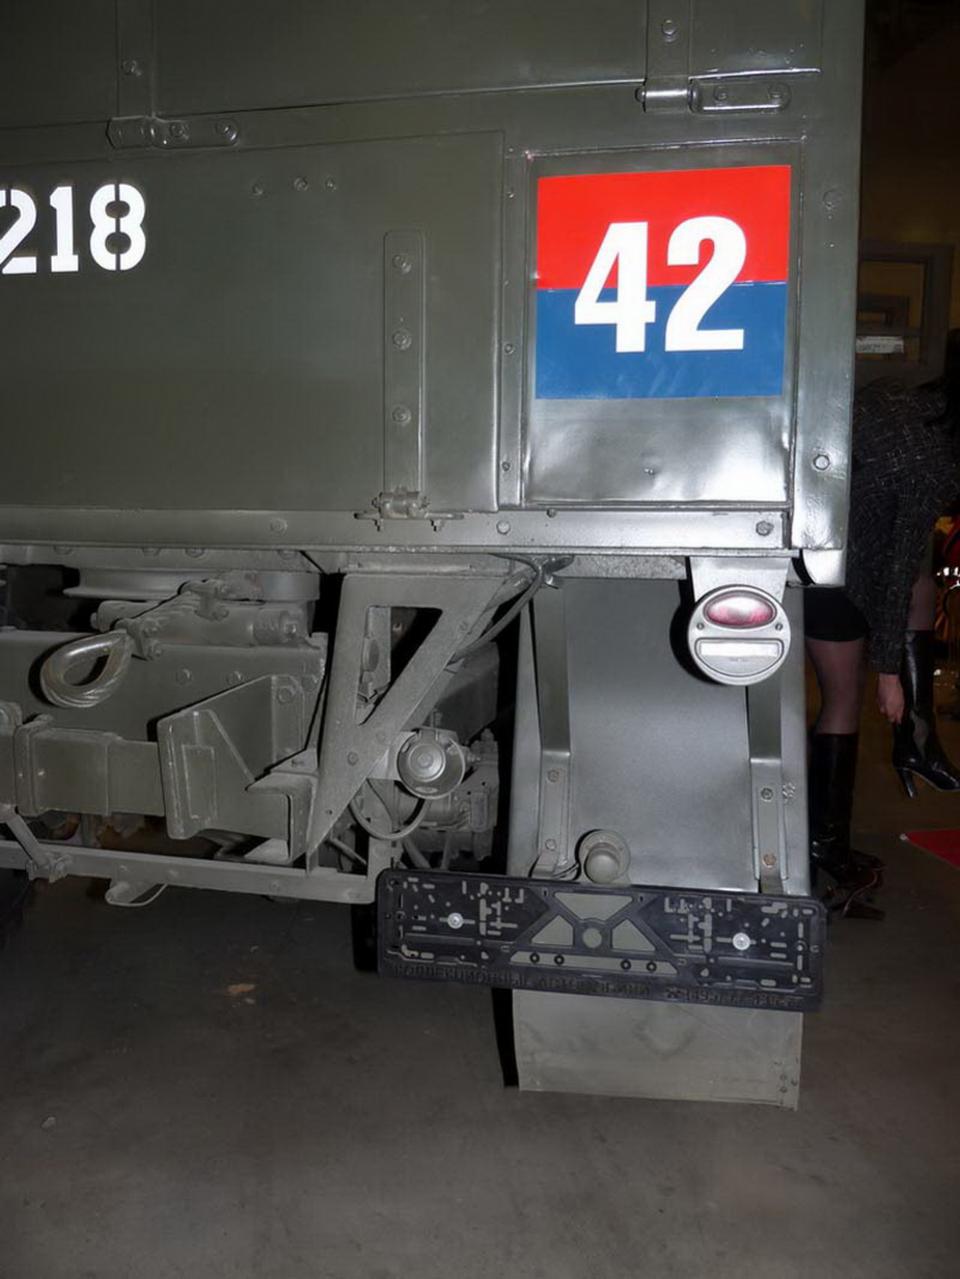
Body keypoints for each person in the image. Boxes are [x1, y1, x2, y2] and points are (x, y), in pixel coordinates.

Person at [805, 342, 960, 916]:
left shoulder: (897, 398)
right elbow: (895, 566)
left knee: (923, 584)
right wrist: (888, 672)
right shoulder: (937, 459)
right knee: (843, 702)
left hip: (823, 547)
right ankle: (826, 847)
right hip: (833, 570)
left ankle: (915, 738)